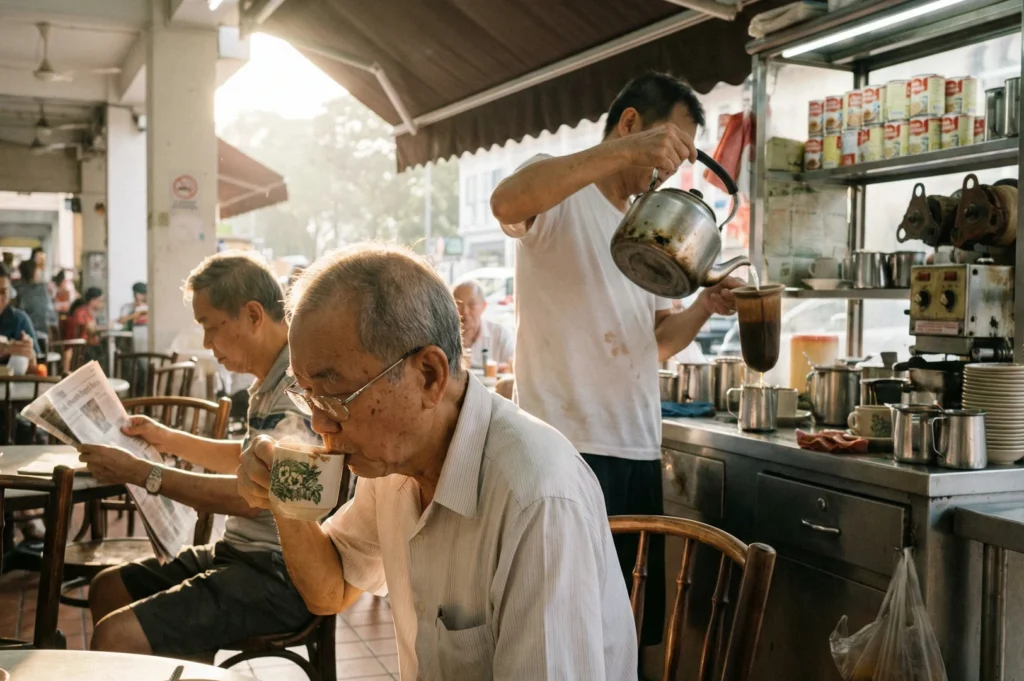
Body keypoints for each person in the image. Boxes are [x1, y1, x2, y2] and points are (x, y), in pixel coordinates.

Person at [237, 244, 637, 680]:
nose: (318, 422)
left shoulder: (535, 496)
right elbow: (331, 590)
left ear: (428, 375)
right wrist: (285, 499)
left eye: (334, 395)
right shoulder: (394, 464)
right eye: (306, 394)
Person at [489, 71, 742, 649]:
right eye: (670, 147)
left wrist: (704, 304)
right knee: (563, 630)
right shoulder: (562, 193)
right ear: (630, 124)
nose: (672, 168)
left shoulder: (647, 226)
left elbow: (652, 342)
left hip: (636, 445)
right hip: (567, 447)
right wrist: (621, 152)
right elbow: (506, 199)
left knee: (622, 634)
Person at [80, 251, 315, 659]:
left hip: (278, 577)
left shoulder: (296, 390)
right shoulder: (269, 381)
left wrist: (145, 473)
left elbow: (252, 497)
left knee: (116, 635)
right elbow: (246, 459)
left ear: (253, 315)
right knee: (108, 588)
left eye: (210, 326)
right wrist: (168, 439)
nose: (206, 343)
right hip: (240, 556)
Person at [451, 279, 515, 370]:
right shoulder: (443, 336)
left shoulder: (499, 334)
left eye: (472, 305)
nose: (465, 312)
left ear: (483, 306)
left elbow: (513, 365)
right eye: (458, 305)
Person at [0, 264, 40, 374]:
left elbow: (36, 371)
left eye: (3, 292)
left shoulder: (19, 320)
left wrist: (29, 355)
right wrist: (5, 349)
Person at [15, 259, 58, 348]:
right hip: (44, 337)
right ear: (35, 273)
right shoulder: (43, 290)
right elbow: (52, 319)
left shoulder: (17, 291)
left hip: (23, 339)